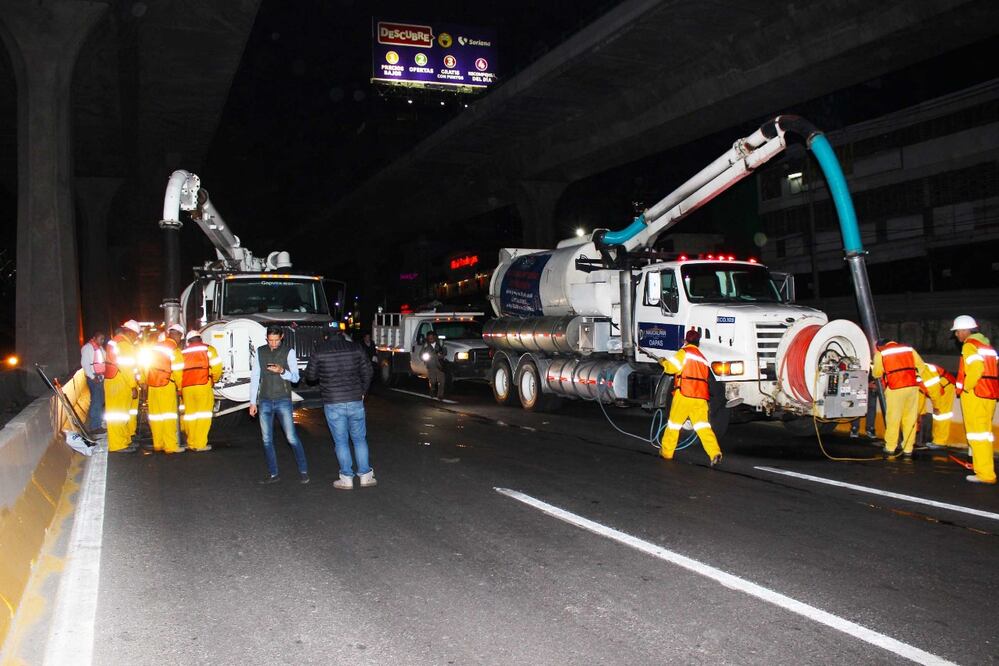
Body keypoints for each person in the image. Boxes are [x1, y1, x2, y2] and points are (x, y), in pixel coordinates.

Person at [304, 329, 375, 490]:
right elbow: (368, 371)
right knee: (359, 439)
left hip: (333, 400)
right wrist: (363, 392)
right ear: (342, 336)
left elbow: (311, 376)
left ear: (325, 337)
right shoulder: (356, 347)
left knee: (341, 441)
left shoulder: (320, 350)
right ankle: (365, 475)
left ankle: (346, 478)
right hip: (355, 399)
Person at [249, 326, 310, 484]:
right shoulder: (260, 352)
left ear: (282, 337)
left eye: (276, 340)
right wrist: (252, 402)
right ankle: (273, 473)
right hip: (264, 400)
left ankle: (303, 470)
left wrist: (282, 371)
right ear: (266, 338)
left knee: (291, 437)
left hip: (283, 399)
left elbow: (296, 378)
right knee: (267, 440)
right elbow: (255, 377)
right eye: (270, 340)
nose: (273, 343)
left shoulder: (289, 352)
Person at [657, 329, 722, 466]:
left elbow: (670, 368)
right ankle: (714, 452)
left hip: (684, 395)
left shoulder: (684, 353)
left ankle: (667, 453)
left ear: (685, 341)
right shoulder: (703, 359)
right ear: (698, 343)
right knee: (703, 427)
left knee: (674, 425)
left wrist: (662, 361)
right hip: (700, 398)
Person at [952, 315, 998, 484]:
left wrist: (966, 387)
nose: (957, 335)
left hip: (976, 395)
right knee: (984, 435)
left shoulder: (970, 345)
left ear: (965, 331)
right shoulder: (987, 346)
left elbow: (976, 370)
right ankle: (984, 468)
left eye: (957, 331)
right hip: (989, 394)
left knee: (977, 435)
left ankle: (985, 474)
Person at [871, 338, 927, 458]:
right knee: (910, 419)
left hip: (895, 388)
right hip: (912, 388)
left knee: (893, 418)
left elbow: (876, 373)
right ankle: (908, 448)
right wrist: (915, 378)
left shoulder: (881, 354)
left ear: (880, 347)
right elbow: (922, 367)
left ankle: (890, 447)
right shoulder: (909, 349)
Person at [179, 330, 222, 452]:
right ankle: (200, 444)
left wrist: (179, 387)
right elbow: (217, 368)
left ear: (188, 341)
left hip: (187, 387)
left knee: (190, 416)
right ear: (200, 339)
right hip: (203, 385)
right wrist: (214, 379)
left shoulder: (182, 352)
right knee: (203, 415)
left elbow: (178, 371)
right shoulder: (209, 349)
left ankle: (191, 442)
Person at [146, 324, 185, 454]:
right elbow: (178, 371)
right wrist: (180, 388)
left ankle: (158, 444)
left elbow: (146, 366)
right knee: (169, 416)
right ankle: (170, 446)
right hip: (167, 384)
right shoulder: (175, 350)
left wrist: (144, 382)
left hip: (152, 384)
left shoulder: (155, 347)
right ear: (178, 335)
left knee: (156, 416)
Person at [104, 320, 141, 452]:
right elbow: (126, 368)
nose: (136, 338)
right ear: (130, 332)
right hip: (119, 382)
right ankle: (118, 444)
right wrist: (133, 386)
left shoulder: (116, 341)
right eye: (136, 335)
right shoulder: (124, 345)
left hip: (116, 380)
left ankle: (125, 440)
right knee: (118, 415)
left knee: (123, 414)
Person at [918, 362, 957, 449]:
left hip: (945, 387)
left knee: (941, 415)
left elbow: (935, 392)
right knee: (936, 415)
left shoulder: (924, 373)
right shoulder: (915, 372)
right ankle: (936, 440)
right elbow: (919, 392)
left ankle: (940, 442)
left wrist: (936, 407)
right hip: (937, 387)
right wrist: (919, 413)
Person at [80, 331, 106, 433]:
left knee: (99, 401)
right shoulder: (88, 348)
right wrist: (92, 377)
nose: (102, 341)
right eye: (101, 339)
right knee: (96, 401)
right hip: (94, 377)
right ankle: (95, 426)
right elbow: (85, 364)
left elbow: (105, 359)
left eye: (103, 339)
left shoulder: (99, 348)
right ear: (94, 338)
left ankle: (97, 424)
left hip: (100, 377)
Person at [850, 373, 879, 440]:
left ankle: (870, 428)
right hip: (858, 383)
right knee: (856, 405)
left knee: (871, 407)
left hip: (872, 384)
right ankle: (854, 428)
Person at [420, 330, 447, 400]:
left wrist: (440, 355)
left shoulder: (440, 344)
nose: (430, 339)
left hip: (440, 366)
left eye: (432, 337)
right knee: (432, 381)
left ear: (435, 337)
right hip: (431, 366)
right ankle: (432, 389)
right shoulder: (426, 345)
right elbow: (421, 355)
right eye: (429, 338)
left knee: (442, 381)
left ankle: (440, 395)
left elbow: (445, 352)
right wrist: (425, 358)